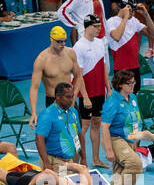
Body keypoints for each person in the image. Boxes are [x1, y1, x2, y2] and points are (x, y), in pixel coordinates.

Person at [73, 15, 110, 167]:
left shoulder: (100, 43)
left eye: (100, 26)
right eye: (96, 26)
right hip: (85, 93)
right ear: (87, 27)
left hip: (99, 92)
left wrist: (108, 88)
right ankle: (77, 162)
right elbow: (78, 75)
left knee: (96, 123)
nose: (99, 29)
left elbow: (103, 67)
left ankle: (95, 159)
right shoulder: (79, 46)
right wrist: (86, 97)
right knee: (83, 128)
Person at [29, 25, 89, 115]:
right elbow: (34, 88)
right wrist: (33, 113)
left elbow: (78, 76)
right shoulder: (42, 60)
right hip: (53, 102)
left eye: (65, 41)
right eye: (59, 41)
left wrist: (77, 97)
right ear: (51, 39)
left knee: (76, 129)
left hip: (70, 99)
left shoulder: (70, 53)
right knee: (58, 129)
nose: (63, 44)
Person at [100, 71, 145, 185]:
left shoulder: (133, 98)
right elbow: (104, 126)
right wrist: (109, 150)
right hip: (115, 138)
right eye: (129, 83)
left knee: (119, 171)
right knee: (135, 165)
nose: (133, 85)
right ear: (120, 85)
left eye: (134, 82)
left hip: (129, 139)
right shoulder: (112, 102)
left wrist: (135, 142)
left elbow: (135, 121)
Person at [34, 81, 84, 169]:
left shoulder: (73, 112)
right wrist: (46, 163)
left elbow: (78, 135)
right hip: (54, 162)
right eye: (68, 97)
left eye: (72, 97)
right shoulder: (47, 115)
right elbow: (39, 139)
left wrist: (83, 158)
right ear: (58, 97)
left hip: (69, 161)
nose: (71, 100)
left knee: (86, 178)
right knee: (66, 182)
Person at [106, 0, 154, 88]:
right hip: (121, 70)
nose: (133, 13)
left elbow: (153, 34)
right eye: (130, 10)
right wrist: (125, 18)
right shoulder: (111, 22)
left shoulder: (134, 21)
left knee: (135, 99)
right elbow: (117, 36)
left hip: (135, 69)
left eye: (133, 10)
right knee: (123, 100)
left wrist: (146, 15)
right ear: (123, 8)